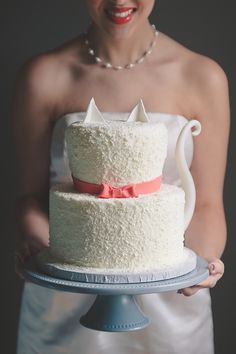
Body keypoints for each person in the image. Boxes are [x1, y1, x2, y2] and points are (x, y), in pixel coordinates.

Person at [13, 1, 229, 353]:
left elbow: (205, 201)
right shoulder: (42, 76)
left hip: (169, 310)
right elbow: (30, 197)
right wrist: (44, 250)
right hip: (64, 302)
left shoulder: (203, 76)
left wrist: (201, 263)